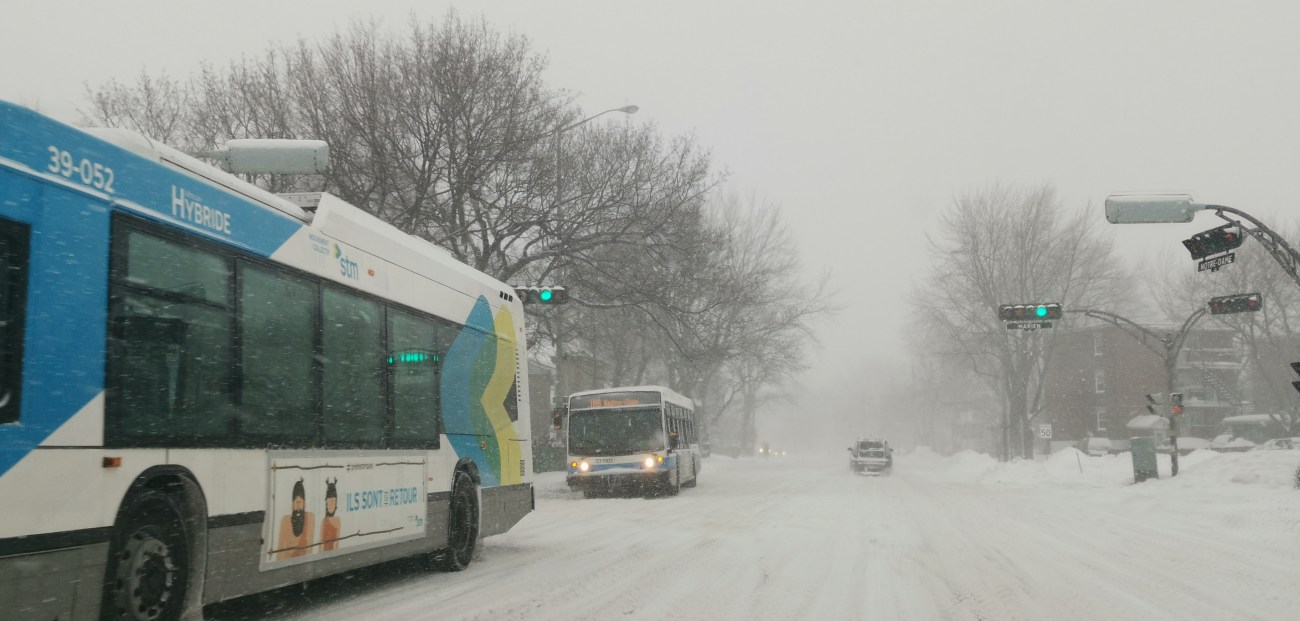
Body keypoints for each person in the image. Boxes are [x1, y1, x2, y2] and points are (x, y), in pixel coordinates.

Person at [275, 478, 316, 560]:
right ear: (292, 504)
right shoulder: (285, 521)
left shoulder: (310, 518)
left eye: (300, 502)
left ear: (305, 504)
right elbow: (281, 552)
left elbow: (310, 547)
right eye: (295, 502)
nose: (298, 507)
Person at [321, 478, 341, 552]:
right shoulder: (325, 522)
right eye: (329, 501)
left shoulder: (336, 521)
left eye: (333, 501)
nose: (331, 504)